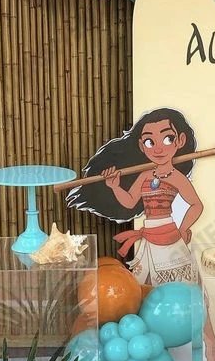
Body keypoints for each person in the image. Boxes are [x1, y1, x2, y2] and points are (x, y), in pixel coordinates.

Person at [68, 108, 203, 286]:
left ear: (180, 141)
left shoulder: (176, 177)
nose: (158, 148)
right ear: (141, 145)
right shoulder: (145, 175)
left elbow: (196, 205)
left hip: (169, 234)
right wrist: (115, 187)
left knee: (175, 279)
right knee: (142, 281)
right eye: (149, 142)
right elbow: (130, 202)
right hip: (148, 233)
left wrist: (182, 229)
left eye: (167, 138)